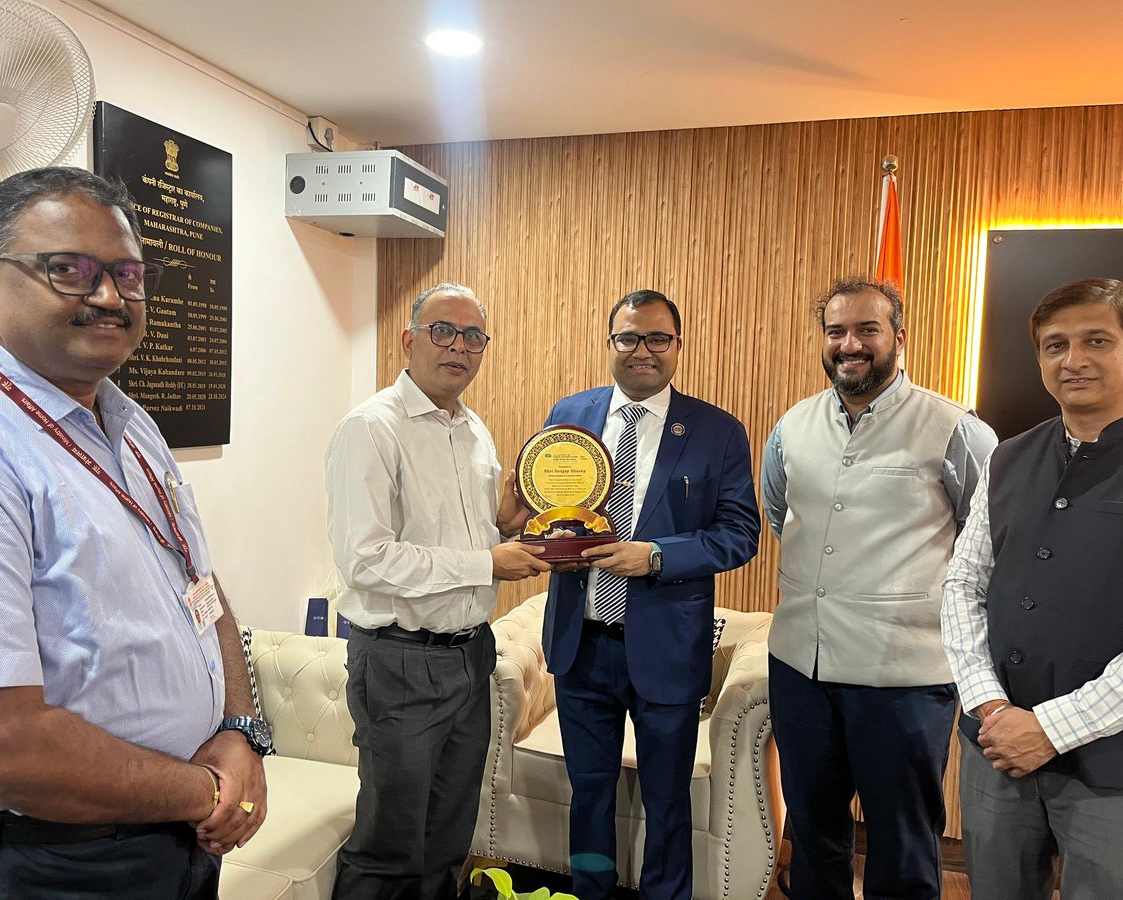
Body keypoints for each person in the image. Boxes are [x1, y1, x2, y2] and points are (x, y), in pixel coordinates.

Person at [0, 167, 269, 899]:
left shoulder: (129, 423)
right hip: (41, 863)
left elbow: (198, 584)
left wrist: (241, 731)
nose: (110, 296)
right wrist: (206, 792)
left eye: (128, 274)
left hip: (172, 836)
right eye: (69, 271)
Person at [762, 276, 997, 899]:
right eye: (836, 331)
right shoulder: (792, 425)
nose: (850, 344)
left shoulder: (955, 429)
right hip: (801, 668)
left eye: (867, 329)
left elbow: (987, 547)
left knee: (902, 843)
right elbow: (781, 514)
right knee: (813, 835)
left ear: (898, 336)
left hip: (905, 679)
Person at [325, 282, 551, 900]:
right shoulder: (371, 428)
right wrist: (487, 561)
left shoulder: (473, 430)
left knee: (449, 838)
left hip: (471, 655)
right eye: (443, 331)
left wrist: (506, 525)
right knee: (390, 847)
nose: (459, 347)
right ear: (410, 340)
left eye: (474, 336)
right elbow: (366, 560)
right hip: (400, 661)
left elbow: (465, 537)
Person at [537, 289, 760, 899]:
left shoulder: (717, 431)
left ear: (677, 346)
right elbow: (549, 504)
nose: (643, 350)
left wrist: (656, 555)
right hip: (581, 644)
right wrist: (543, 529)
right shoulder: (570, 414)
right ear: (610, 343)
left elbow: (740, 534)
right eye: (629, 337)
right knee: (588, 793)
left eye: (658, 338)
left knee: (666, 800)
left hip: (667, 648)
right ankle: (590, 892)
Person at [942, 278, 1123, 900]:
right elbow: (963, 584)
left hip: (1110, 764)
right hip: (997, 750)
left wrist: (1050, 727)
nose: (1073, 360)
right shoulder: (1009, 456)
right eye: (1055, 345)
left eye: (1096, 340)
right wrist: (991, 708)